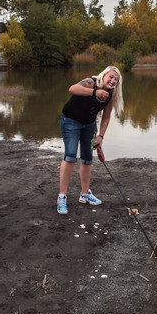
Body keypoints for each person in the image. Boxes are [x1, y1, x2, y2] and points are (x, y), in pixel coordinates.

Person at [57, 66, 124, 214]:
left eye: (116, 79)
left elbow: (106, 117)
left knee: (87, 159)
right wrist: (94, 92)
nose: (112, 81)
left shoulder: (110, 96)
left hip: (89, 125)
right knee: (70, 156)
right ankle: (62, 196)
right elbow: (72, 89)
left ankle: (85, 194)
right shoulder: (91, 82)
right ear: (104, 75)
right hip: (70, 121)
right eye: (111, 77)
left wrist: (100, 136)